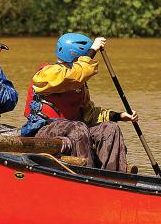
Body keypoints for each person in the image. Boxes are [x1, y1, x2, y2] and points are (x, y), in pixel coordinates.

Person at [20, 33, 137, 172]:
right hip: (43, 130)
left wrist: (118, 116)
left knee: (110, 129)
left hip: (75, 129)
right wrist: (92, 51)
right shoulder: (47, 73)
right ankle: (85, 176)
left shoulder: (79, 85)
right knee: (78, 128)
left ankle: (114, 177)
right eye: (84, 57)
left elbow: (89, 114)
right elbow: (73, 75)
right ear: (76, 57)